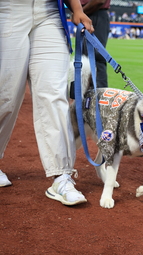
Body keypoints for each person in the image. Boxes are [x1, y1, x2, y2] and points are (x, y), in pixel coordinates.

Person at [0, 0, 94, 205]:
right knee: (5, 96)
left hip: (49, 13)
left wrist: (77, 8)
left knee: (54, 94)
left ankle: (62, 177)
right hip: (7, 10)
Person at [81, 0, 111, 88]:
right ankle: (88, 96)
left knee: (95, 59)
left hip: (94, 12)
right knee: (86, 60)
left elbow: (99, 1)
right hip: (89, 13)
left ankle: (99, 98)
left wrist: (79, 12)